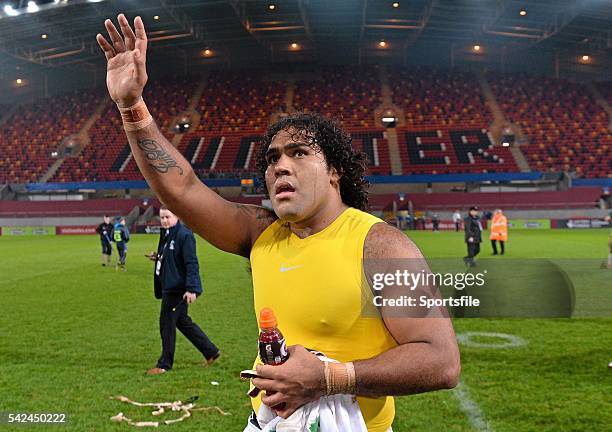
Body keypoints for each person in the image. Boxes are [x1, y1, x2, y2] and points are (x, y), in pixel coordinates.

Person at [96, 16, 460, 432]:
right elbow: (182, 191)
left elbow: (440, 360)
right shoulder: (261, 233)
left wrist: (327, 379)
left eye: (299, 153)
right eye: (272, 159)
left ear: (334, 171)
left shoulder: (379, 245)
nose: (280, 165)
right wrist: (131, 105)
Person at [145, 206, 220, 375]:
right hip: (168, 286)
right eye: (162, 217)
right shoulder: (167, 233)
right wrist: (158, 257)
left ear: (177, 216)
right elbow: (172, 256)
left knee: (166, 324)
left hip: (176, 290)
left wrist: (192, 289)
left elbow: (191, 263)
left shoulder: (184, 235)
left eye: (167, 217)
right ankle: (210, 351)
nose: (164, 221)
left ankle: (164, 364)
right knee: (183, 322)